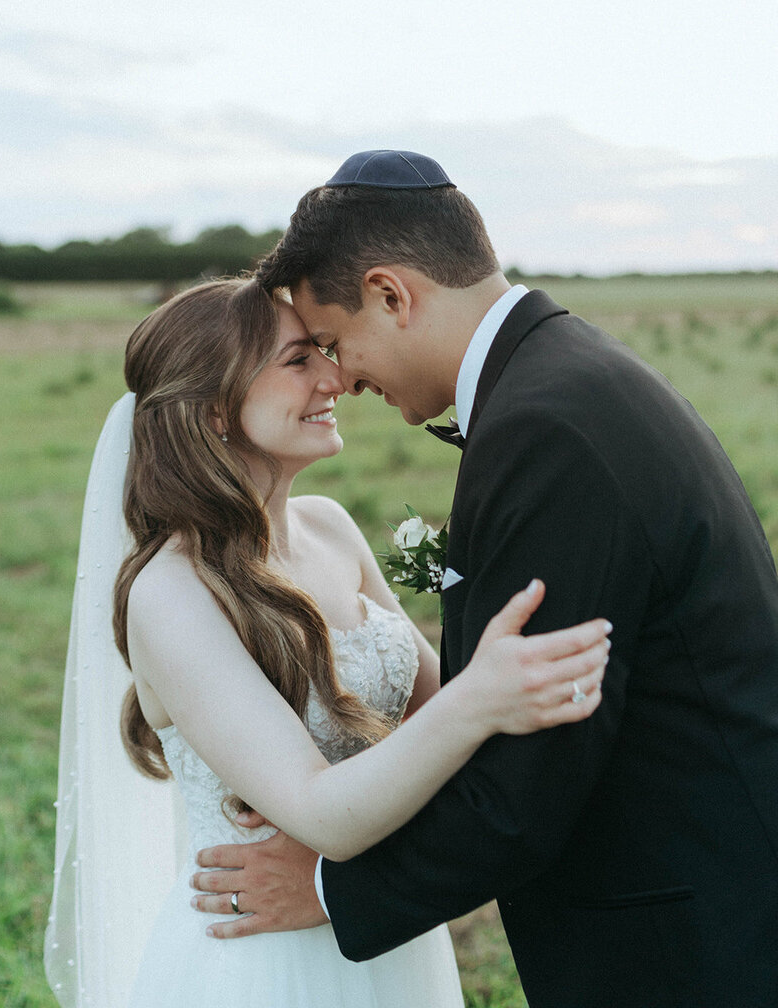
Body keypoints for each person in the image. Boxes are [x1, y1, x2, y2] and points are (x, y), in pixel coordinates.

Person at [192, 151, 778, 1008]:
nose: (341, 378)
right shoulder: (569, 376)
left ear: (392, 295)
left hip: (682, 937)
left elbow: (531, 776)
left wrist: (323, 890)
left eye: (334, 342)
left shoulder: (544, 427)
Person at [44, 275, 611, 1008]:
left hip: (384, 936)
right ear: (215, 409)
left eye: (325, 352)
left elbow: (441, 716)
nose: (335, 376)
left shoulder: (332, 528)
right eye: (296, 361)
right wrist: (481, 698)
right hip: (263, 962)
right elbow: (321, 811)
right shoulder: (173, 591)